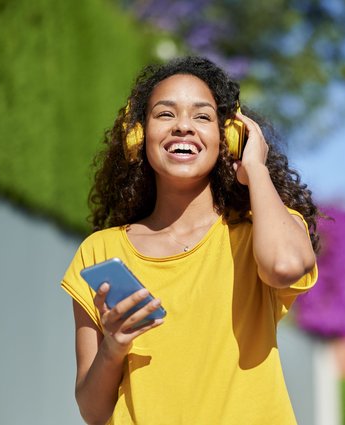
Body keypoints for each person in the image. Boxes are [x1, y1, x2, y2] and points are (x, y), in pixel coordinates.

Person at [60, 56, 320, 425]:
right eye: (165, 114)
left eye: (202, 116)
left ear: (228, 137)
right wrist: (113, 348)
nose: (183, 126)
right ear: (138, 136)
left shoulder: (258, 233)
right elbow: (93, 412)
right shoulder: (100, 251)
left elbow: (284, 266)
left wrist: (256, 169)